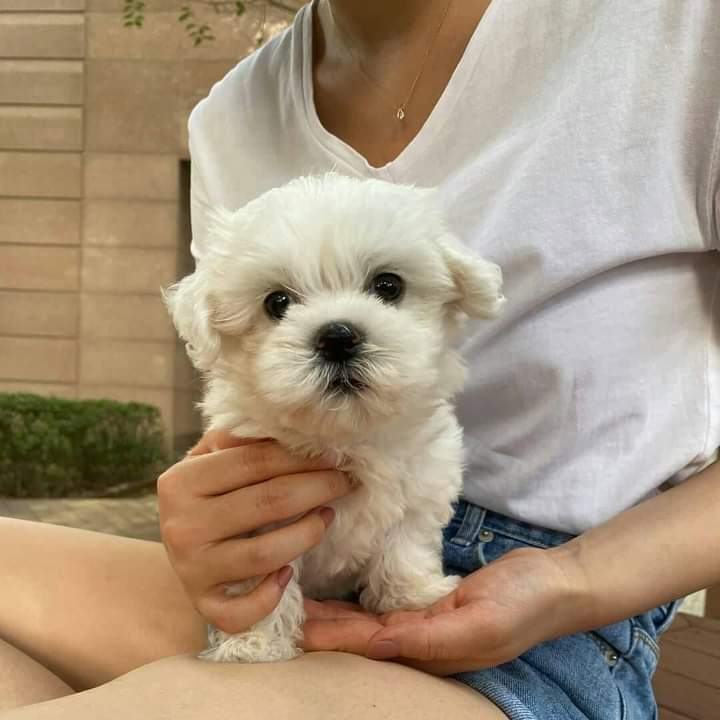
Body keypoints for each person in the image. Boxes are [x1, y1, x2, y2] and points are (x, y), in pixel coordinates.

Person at [1, 1, 719, 718]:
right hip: (282, 583)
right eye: (281, 305)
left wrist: (576, 578)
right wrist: (217, 530)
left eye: (384, 286)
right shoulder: (231, 116)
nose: (336, 330)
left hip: (560, 628)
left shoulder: (675, 28)